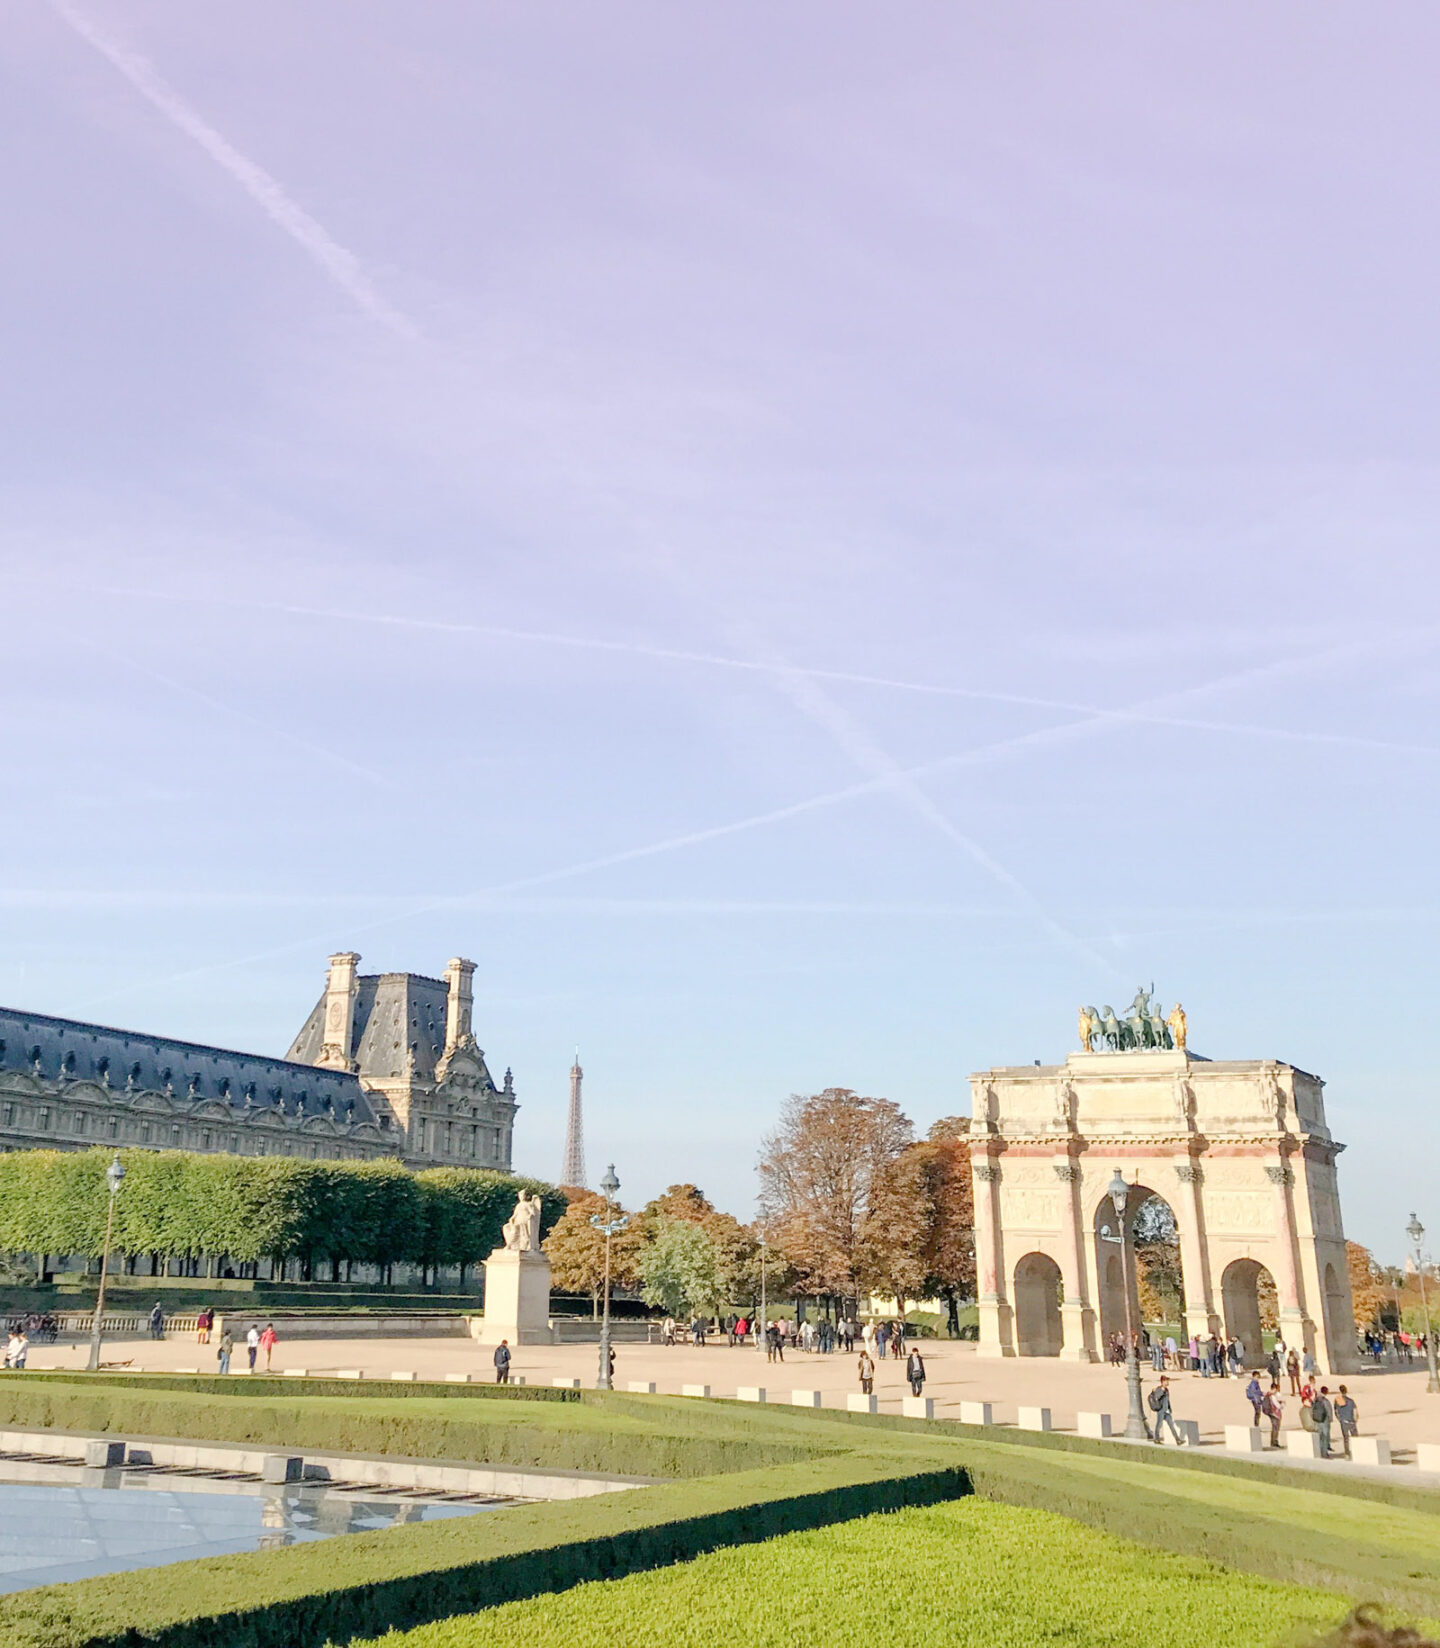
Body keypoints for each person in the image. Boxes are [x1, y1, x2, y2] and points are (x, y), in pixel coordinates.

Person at [1147, 1375, 1184, 1444]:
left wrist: (1169, 1408)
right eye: (1166, 1381)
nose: (1167, 1382)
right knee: (1159, 1425)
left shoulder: (1166, 1390)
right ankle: (1156, 1439)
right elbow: (1157, 1397)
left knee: (1171, 1425)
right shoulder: (1159, 1389)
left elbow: (1167, 1400)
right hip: (1161, 1410)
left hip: (1166, 1411)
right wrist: (1162, 1391)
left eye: (1167, 1381)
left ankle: (1178, 1440)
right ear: (1162, 1382)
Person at [1334, 1385, 1358, 1459]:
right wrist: (1355, 1420)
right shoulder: (1351, 1401)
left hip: (1344, 1421)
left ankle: (1347, 1453)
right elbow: (1355, 1412)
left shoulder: (1337, 1401)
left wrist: (1340, 1419)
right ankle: (1356, 1451)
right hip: (1351, 1421)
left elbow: (1336, 1412)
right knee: (1355, 1437)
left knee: (1346, 1438)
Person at [1312, 1384, 1335, 1457]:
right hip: (1324, 1420)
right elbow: (1329, 1410)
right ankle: (1324, 1453)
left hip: (1317, 1419)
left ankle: (1319, 1451)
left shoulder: (1315, 1399)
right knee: (1325, 1437)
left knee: (1319, 1436)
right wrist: (1330, 1418)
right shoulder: (1325, 1400)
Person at [1262, 1382, 1284, 1449]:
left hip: (1270, 1413)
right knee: (1276, 1428)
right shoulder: (1272, 1396)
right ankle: (1274, 1442)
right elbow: (1278, 1406)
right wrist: (1282, 1405)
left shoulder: (1267, 1394)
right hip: (1274, 1413)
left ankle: (1273, 1442)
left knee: (1274, 1428)